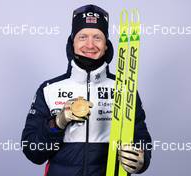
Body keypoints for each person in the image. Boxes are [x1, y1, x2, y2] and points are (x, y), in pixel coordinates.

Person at [21, 4, 152, 176]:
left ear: (106, 45)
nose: (90, 45)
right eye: (83, 37)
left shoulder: (124, 89)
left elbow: (142, 140)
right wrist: (57, 123)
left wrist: (141, 159)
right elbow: (33, 151)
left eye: (97, 37)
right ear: (72, 42)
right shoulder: (49, 90)